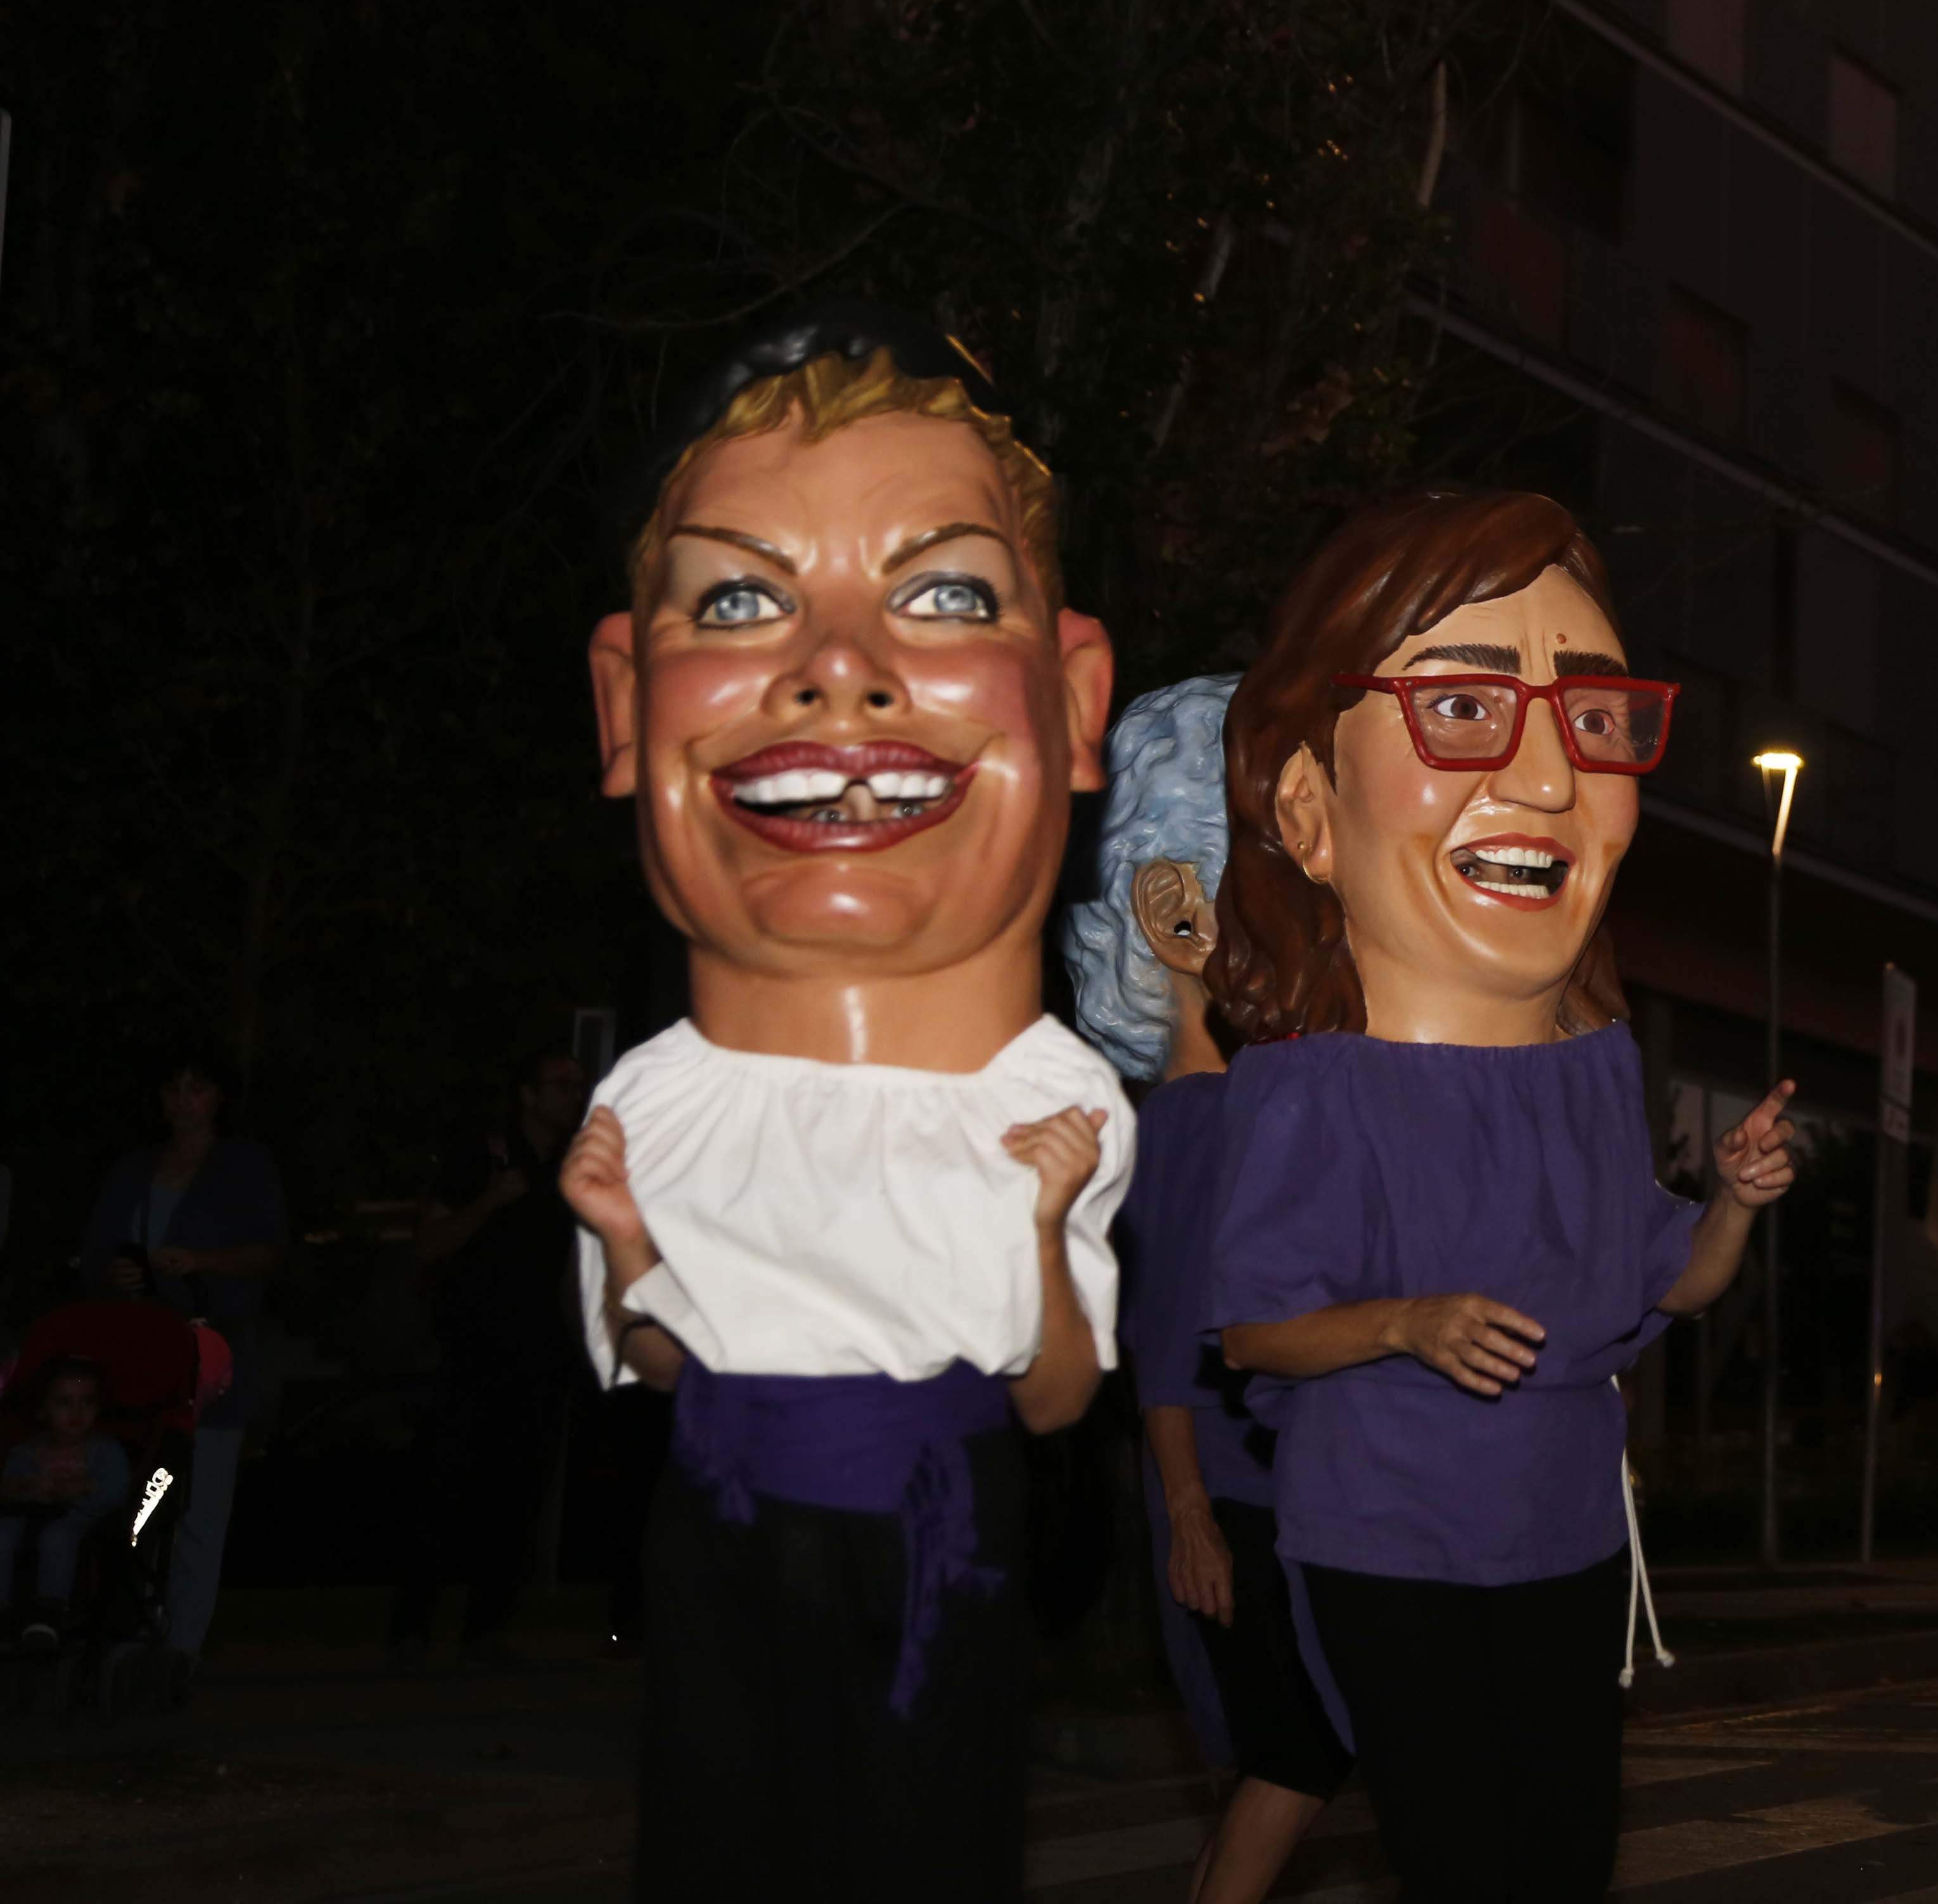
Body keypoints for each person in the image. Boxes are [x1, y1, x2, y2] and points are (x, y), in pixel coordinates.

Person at [561, 300, 1130, 1901]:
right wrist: (617, 1236)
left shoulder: (1050, 1093)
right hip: (719, 1537)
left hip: (941, 1537)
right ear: (626, 708)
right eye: (738, 597)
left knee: (923, 1839)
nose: (834, 670)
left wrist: (1034, 1224)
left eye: (941, 593)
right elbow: (651, 1363)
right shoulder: (657, 1099)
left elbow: (1054, 1397)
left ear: (1073, 704)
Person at [1206, 489, 1797, 1902]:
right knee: (1461, 1859)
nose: (1546, 781)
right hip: (1389, 1536)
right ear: (1307, 805)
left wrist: (1733, 1199)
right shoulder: (1306, 1088)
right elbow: (1249, 1336)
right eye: (1461, 711)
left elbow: (1670, 1282)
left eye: (1594, 722)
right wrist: (1407, 1324)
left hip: (1566, 1533)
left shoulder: (1594, 1067)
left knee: (1562, 1860)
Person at [1067, 671, 1353, 1904]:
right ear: (1173, 904)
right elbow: (1164, 1335)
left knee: (1288, 1754)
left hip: (1266, 1495)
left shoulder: (1238, 1104)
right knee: (1296, 1755)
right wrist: (1188, 1512)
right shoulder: (1203, 1116)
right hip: (1235, 1502)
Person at [77, 1054, 284, 1658]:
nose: (184, 1101)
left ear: (219, 1097)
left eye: (197, 1088)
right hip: (139, 1359)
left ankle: (180, 1646)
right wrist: (118, 1273)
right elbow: (94, 1254)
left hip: (211, 1360)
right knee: (139, 1496)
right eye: (173, 1088)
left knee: (202, 1507)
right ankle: (127, 1624)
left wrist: (200, 1263)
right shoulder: (133, 1169)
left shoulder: (245, 1165)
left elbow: (269, 1252)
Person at [393, 1049, 590, 1661]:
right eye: (559, 1086)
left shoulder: (573, 1165)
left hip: (539, 1353)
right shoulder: (484, 1153)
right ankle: (413, 1626)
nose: (571, 1096)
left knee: (518, 1494)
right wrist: (489, 1202)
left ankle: (486, 1627)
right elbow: (427, 1245)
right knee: (445, 1486)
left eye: (577, 1086)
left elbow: (567, 1265)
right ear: (527, 1094)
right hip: (471, 1349)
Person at [2, 1358, 134, 1648]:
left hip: (81, 1518)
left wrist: (85, 1488)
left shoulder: (105, 1451)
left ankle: (50, 1610)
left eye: (87, 1403)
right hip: (30, 1515)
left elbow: (118, 1490)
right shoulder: (27, 1452)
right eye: (65, 1402)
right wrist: (29, 1488)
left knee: (58, 1539)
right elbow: (8, 1487)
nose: (77, 1413)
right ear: (43, 1410)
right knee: (4, 1534)